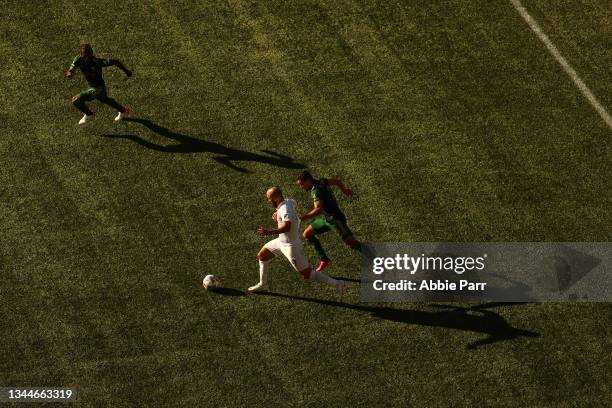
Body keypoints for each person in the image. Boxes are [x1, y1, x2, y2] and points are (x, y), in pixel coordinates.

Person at [248, 186, 345, 301]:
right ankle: (263, 284)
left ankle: (338, 284)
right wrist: (277, 212)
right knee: (262, 256)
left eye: (270, 199)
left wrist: (268, 232)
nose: (269, 201)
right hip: (281, 241)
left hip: (291, 246)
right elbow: (294, 203)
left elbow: (287, 226)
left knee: (307, 274)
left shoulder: (285, 208)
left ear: (276, 198)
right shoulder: (287, 202)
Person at [296, 171, 363, 272]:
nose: (301, 187)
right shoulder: (321, 181)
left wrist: (301, 218)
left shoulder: (316, 191)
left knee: (352, 243)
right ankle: (324, 259)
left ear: (308, 181)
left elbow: (318, 209)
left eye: (302, 184)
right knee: (307, 234)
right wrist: (344, 190)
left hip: (336, 220)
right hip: (326, 219)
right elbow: (336, 181)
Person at [66, 43, 132, 125]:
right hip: (93, 86)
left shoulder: (97, 62)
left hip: (98, 88)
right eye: (85, 56)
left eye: (89, 55)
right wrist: (70, 73)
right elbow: (71, 69)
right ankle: (124, 110)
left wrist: (126, 71)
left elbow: (115, 62)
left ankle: (89, 114)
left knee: (75, 100)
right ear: (81, 55)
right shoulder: (78, 59)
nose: (87, 58)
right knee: (105, 100)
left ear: (92, 54)